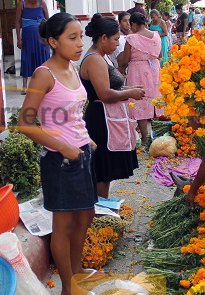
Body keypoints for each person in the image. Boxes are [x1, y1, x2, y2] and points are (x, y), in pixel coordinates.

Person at [18, 13, 102, 295]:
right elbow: (25, 123)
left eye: (81, 36)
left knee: (87, 214)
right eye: (72, 37)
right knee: (64, 224)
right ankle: (68, 291)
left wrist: (85, 138)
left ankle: (76, 271)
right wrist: (64, 147)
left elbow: (73, 112)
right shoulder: (45, 74)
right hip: (61, 161)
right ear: (53, 42)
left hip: (82, 154)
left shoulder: (73, 68)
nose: (80, 43)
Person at [80, 14, 145, 198]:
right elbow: (105, 94)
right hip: (101, 119)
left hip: (107, 116)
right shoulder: (94, 59)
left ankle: (102, 207)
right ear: (103, 38)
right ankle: (101, 210)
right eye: (116, 39)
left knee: (106, 169)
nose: (118, 43)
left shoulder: (103, 56)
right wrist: (130, 93)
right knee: (103, 168)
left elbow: (112, 85)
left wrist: (129, 88)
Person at [119, 12, 163, 146]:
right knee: (154, 99)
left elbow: (125, 60)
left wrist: (121, 68)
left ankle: (145, 137)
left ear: (133, 24)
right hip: (154, 70)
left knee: (140, 102)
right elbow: (160, 54)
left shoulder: (131, 39)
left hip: (138, 71)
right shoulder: (156, 35)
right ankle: (157, 135)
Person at [16, 0, 51, 95]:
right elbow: (18, 22)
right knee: (27, 58)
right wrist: (18, 39)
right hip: (27, 38)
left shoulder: (42, 3)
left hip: (41, 37)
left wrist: (47, 37)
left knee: (43, 58)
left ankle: (46, 84)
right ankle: (25, 86)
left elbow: (48, 21)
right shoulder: (21, 4)